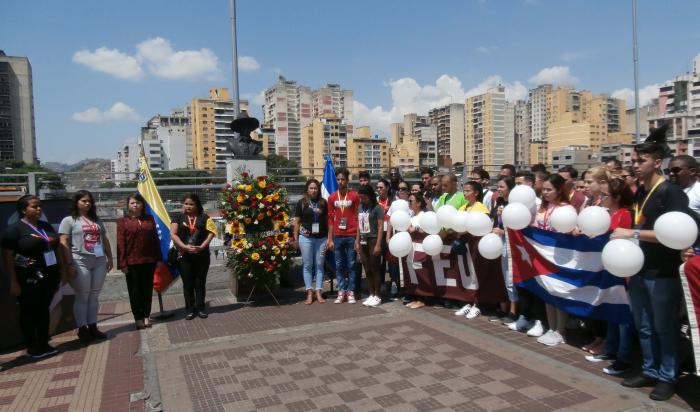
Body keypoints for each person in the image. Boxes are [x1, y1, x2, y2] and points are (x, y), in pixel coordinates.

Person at [611, 125, 693, 401]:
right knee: (643, 325)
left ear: (657, 162)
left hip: (663, 272)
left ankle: (667, 377)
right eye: (633, 160)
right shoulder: (639, 192)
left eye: (640, 160)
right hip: (638, 268)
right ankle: (649, 369)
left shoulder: (671, 193)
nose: (634, 165)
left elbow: (677, 234)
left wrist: (631, 233)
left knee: (664, 326)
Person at [2, 195, 64, 358]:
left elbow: (56, 247)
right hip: (28, 278)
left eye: (39, 206)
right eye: (34, 207)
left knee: (43, 310)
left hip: (49, 275)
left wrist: (60, 273)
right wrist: (14, 281)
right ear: (24, 210)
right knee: (29, 311)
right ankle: (32, 346)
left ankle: (44, 343)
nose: (38, 209)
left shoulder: (45, 226)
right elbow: (8, 256)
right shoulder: (15, 230)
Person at [585, 178, 636, 377]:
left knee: (622, 317)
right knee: (610, 313)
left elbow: (616, 239)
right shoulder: (606, 214)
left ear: (617, 197)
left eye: (605, 195)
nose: (601, 198)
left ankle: (623, 359)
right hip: (606, 269)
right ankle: (610, 349)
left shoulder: (623, 215)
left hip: (622, 273)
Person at [59, 190, 112, 342]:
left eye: (89, 201)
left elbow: (104, 238)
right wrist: (69, 263)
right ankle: (82, 329)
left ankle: (93, 326)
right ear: (76, 202)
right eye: (83, 201)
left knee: (94, 295)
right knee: (82, 295)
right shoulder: (69, 220)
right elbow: (63, 242)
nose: (87, 203)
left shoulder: (96, 219)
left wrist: (110, 257)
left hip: (99, 260)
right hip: (79, 260)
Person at [533, 174, 571, 346]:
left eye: (550, 190)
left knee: (559, 292)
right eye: (544, 189)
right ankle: (551, 327)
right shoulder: (542, 207)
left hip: (560, 255)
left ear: (559, 190)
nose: (545, 193)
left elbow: (568, 229)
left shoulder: (565, 208)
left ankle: (560, 331)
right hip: (543, 255)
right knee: (548, 292)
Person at [117, 193, 163, 329]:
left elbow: (155, 240)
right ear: (128, 205)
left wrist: (159, 258)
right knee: (135, 291)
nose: (135, 205)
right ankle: (138, 317)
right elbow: (120, 243)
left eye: (138, 202)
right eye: (132, 203)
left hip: (149, 260)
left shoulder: (149, 219)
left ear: (142, 205)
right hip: (132, 262)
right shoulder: (122, 221)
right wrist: (122, 263)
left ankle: (146, 316)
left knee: (147, 290)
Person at [170, 194, 216, 319]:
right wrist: (183, 247)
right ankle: (190, 309)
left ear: (197, 205)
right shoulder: (178, 217)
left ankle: (200, 308)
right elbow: (173, 234)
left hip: (202, 255)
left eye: (191, 204)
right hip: (184, 256)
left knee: (200, 283)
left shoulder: (204, 217)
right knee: (188, 283)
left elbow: (212, 233)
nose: (188, 206)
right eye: (186, 204)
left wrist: (202, 247)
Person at [327, 168, 360, 304]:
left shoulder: (354, 196)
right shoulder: (332, 197)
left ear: (347, 180)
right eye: (338, 179)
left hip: (351, 234)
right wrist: (330, 239)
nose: (340, 182)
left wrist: (358, 239)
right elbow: (330, 219)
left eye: (343, 179)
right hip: (338, 236)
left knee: (351, 265)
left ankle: (351, 291)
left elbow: (358, 217)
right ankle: (341, 291)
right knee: (339, 265)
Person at [293, 179, 328, 305]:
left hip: (321, 238)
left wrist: (329, 238)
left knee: (320, 264)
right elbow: (296, 222)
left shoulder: (323, 203)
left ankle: (318, 291)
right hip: (306, 237)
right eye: (311, 188)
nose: (313, 190)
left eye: (315, 188)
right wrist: (295, 239)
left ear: (318, 190)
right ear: (307, 189)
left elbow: (328, 221)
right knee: (308, 265)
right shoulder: (301, 203)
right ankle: (309, 292)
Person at [490, 176, 518, 324]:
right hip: (499, 244)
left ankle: (514, 311)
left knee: (510, 277)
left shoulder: (515, 205)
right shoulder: (499, 202)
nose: (498, 190)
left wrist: (503, 232)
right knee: (501, 276)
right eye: (497, 187)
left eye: (502, 187)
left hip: (511, 245)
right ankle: (503, 307)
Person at [356, 185, 385, 307]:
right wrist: (357, 241)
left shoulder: (377, 208)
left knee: (375, 268)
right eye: (361, 198)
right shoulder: (360, 207)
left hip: (373, 239)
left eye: (364, 198)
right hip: (363, 240)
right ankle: (371, 293)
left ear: (370, 196)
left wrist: (378, 244)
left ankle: (378, 295)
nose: (362, 200)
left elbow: (380, 227)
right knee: (366, 269)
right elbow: (358, 225)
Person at [405, 193, 427, 309]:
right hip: (412, 247)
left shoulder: (423, 215)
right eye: (408, 201)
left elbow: (426, 229)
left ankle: (422, 299)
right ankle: (416, 296)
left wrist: (416, 228)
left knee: (420, 273)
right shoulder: (411, 215)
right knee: (413, 273)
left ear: (418, 203)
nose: (409, 203)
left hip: (421, 248)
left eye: (411, 201)